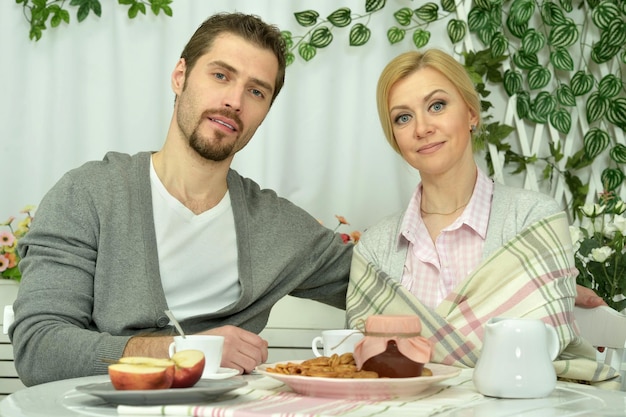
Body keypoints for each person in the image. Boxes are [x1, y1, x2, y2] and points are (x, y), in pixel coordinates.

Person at [9, 12, 352, 387]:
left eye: (256, 91)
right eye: (221, 75)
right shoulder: (89, 195)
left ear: (265, 111)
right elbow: (39, 349)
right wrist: (182, 351)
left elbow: (389, 288)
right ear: (180, 76)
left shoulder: (279, 227)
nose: (234, 101)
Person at [345, 49, 617, 386]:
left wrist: (413, 353)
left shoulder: (534, 218)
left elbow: (537, 348)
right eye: (403, 117)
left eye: (437, 106)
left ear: (471, 114)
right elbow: (364, 362)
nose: (422, 128)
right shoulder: (375, 246)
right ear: (396, 139)